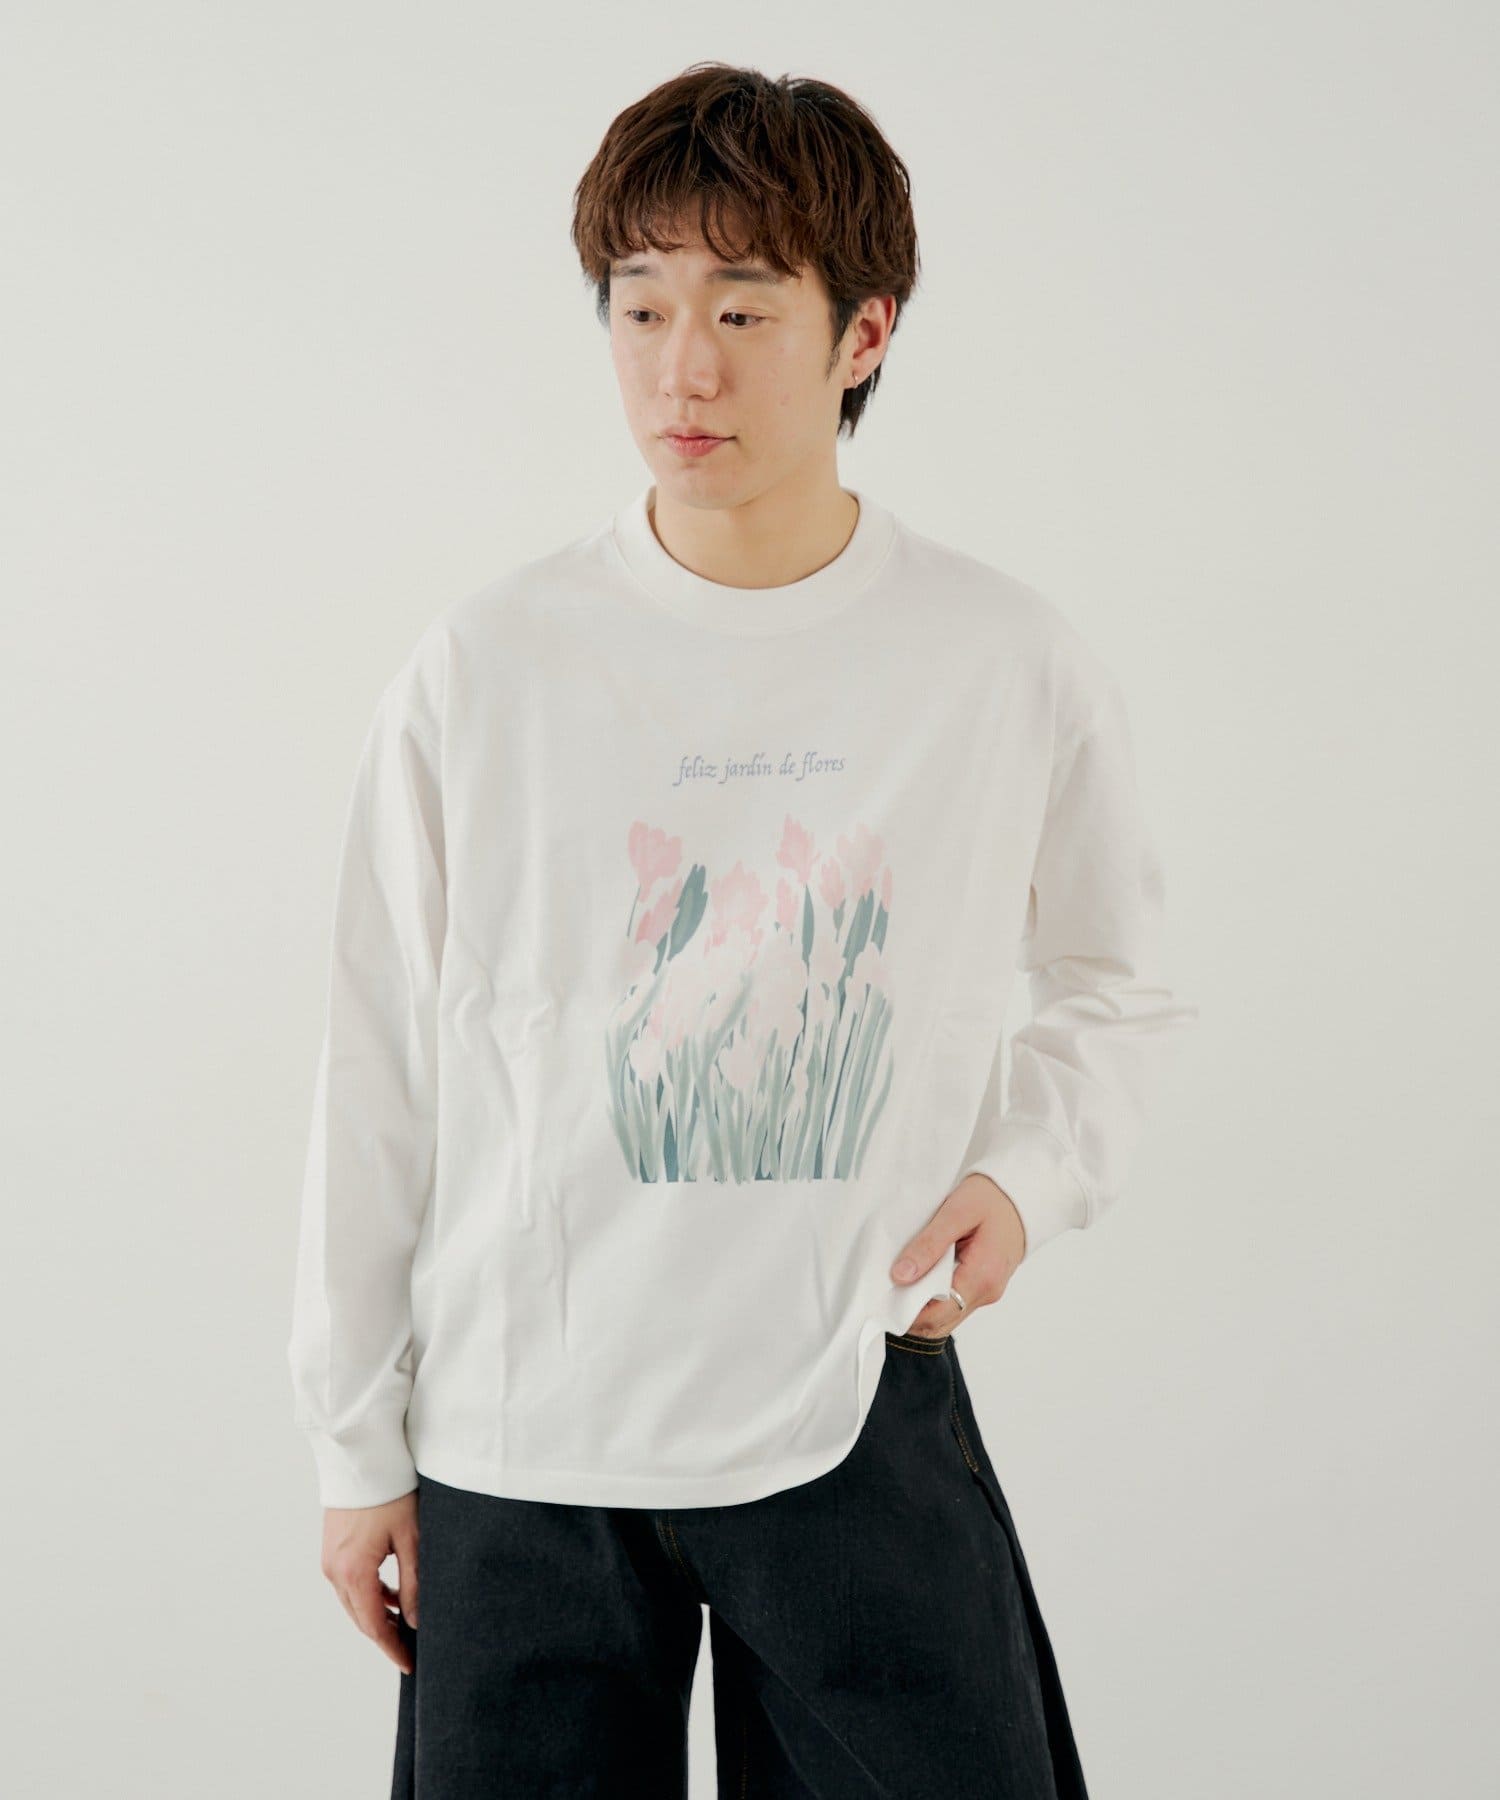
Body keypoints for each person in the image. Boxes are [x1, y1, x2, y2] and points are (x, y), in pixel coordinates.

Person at [287, 61, 1198, 1798]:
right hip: (523, 1429)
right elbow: (377, 1058)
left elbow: (1115, 984)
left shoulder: (997, 659)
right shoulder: (487, 668)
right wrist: (355, 1441)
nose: (680, 369)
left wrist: (1026, 1179)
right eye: (641, 307)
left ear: (865, 333)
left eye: (741, 307)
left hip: (848, 1388)